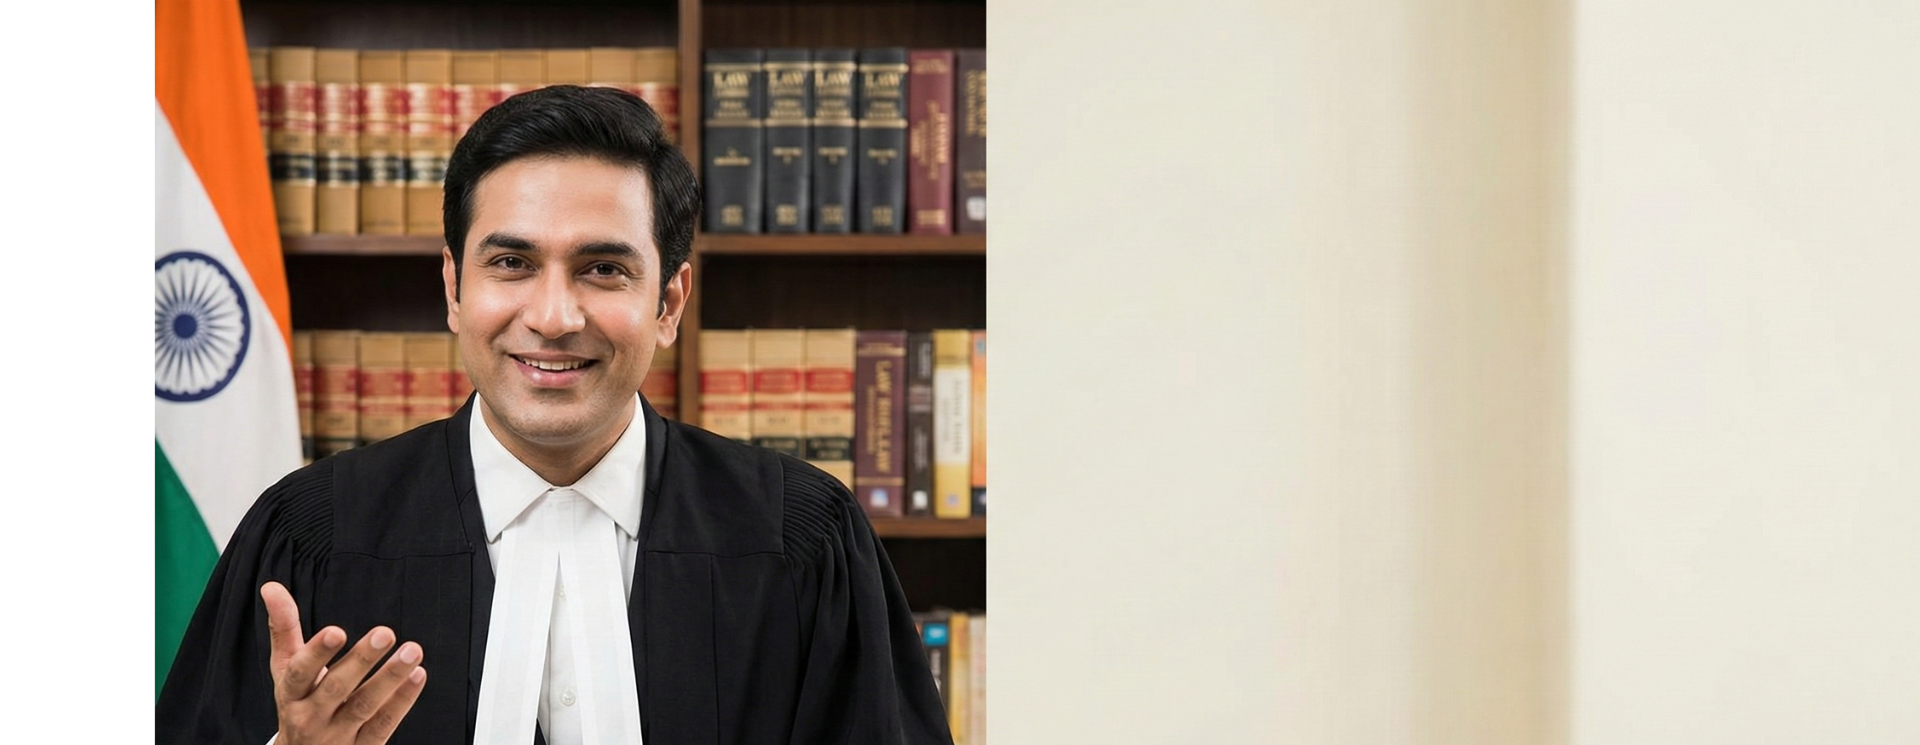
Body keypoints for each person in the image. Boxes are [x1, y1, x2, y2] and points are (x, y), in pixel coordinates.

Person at [156, 85, 955, 745]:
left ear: (669, 302)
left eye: (603, 268)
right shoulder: (309, 539)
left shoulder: (804, 540)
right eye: (512, 262)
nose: (552, 316)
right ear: (453, 288)